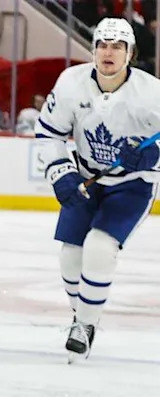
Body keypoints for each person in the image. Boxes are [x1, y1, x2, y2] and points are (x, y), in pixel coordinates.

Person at [35, 17, 160, 361]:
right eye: (102, 45)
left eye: (117, 46)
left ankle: (84, 326)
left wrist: (152, 156)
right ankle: (83, 318)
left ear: (130, 53)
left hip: (132, 186)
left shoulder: (152, 93)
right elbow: (49, 133)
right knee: (70, 256)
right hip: (87, 177)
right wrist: (61, 173)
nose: (108, 52)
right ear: (93, 50)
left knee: (100, 248)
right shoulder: (71, 83)